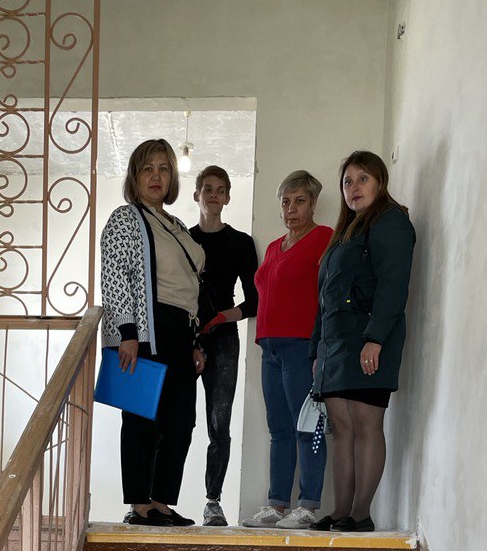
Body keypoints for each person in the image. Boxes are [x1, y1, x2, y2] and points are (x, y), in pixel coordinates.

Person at [99, 139, 206, 526]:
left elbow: (190, 288)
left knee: (181, 421)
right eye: (147, 168)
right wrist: (127, 332)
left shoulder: (176, 226)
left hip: (181, 330)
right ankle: (139, 503)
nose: (156, 176)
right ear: (134, 177)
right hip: (146, 327)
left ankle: (161, 502)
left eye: (163, 169)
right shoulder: (126, 219)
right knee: (142, 417)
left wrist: (195, 341)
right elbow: (114, 276)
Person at [310, 151, 416, 532]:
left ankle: (360, 514)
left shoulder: (391, 222)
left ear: (380, 182)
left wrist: (375, 339)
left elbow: (393, 285)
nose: (354, 188)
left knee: (366, 423)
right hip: (336, 345)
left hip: (368, 339)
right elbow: (324, 299)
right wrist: (316, 350)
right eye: (347, 182)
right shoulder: (344, 233)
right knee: (342, 428)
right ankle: (341, 511)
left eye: (363, 179)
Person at [243, 170, 332, 529]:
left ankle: (308, 506)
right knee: (279, 429)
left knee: (308, 425)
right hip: (270, 347)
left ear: (313, 204)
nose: (291, 209)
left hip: (301, 346)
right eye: (285, 202)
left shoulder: (324, 238)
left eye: (299, 201)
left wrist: (321, 349)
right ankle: (277, 504)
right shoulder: (273, 247)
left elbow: (328, 293)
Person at [188, 166, 258, 526]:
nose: (213, 195)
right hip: (184, 338)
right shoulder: (183, 241)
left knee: (219, 424)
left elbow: (255, 301)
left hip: (224, 341)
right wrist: (194, 335)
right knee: (177, 420)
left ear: (228, 197)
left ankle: (212, 502)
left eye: (220, 189)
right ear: (197, 195)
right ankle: (157, 500)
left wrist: (220, 318)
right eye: (207, 189)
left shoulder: (240, 243)